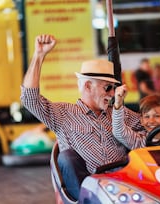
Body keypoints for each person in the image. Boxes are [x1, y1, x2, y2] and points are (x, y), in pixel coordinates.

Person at [20, 34, 146, 200]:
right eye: (107, 88)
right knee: (67, 157)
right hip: (89, 191)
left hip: (123, 187)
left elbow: (150, 126)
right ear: (88, 86)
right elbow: (29, 99)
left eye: (113, 89)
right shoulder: (64, 113)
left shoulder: (118, 112)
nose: (112, 94)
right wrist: (39, 55)